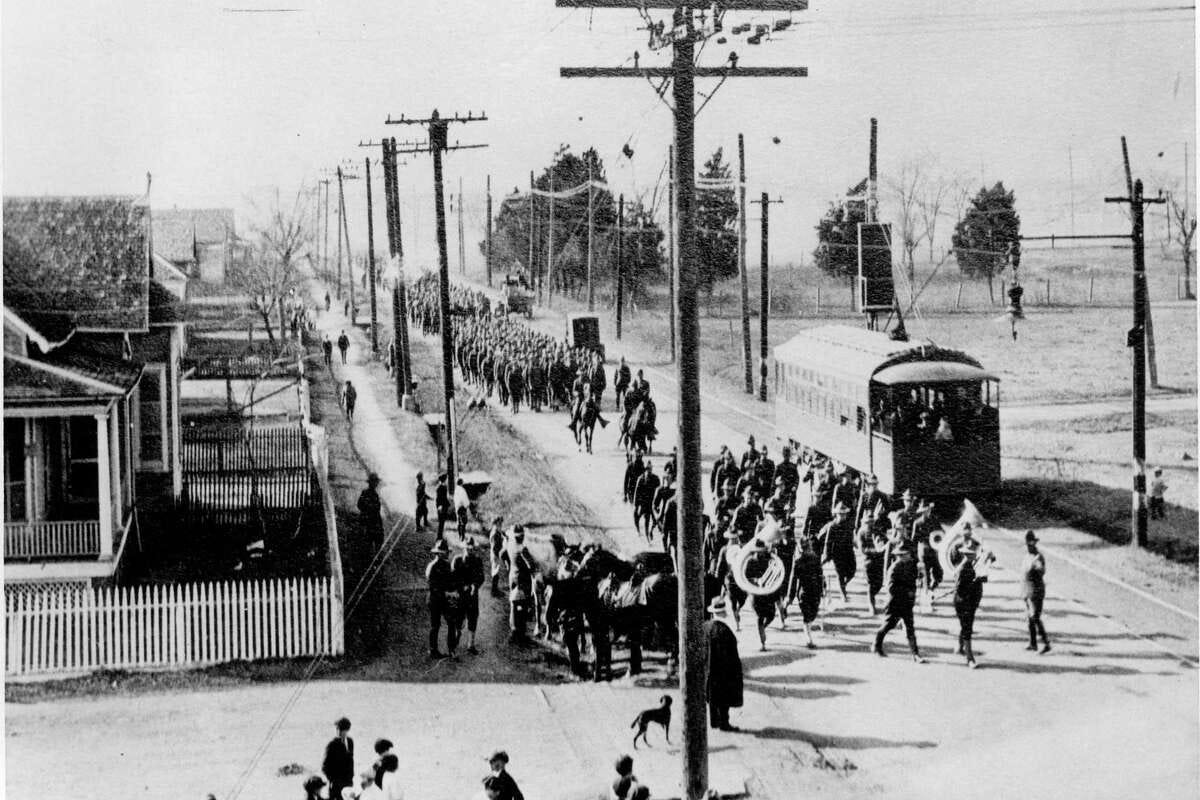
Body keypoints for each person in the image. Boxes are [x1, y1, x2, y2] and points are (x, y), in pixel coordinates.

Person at [872, 541, 926, 663]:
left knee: (910, 628)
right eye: (903, 554)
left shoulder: (911, 564)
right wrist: (907, 592)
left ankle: (915, 654)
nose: (906, 556)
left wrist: (920, 577)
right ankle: (876, 645)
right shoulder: (894, 568)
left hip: (907, 603)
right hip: (895, 602)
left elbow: (914, 577)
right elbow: (891, 588)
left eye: (906, 554)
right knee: (888, 624)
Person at [952, 523, 990, 668]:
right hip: (963, 599)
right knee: (967, 626)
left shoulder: (974, 564)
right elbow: (960, 587)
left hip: (974, 596)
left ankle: (960, 646)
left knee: (967, 623)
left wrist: (981, 576)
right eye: (972, 554)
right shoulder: (962, 568)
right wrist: (975, 581)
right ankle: (969, 657)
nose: (974, 556)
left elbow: (984, 576)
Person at [704, 597, 744, 731]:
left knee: (712, 696)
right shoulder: (726, 630)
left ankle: (714, 722)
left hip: (708, 669)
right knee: (724, 698)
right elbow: (732, 654)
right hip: (723, 671)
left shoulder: (705, 627)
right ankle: (724, 723)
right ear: (724, 613)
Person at [788, 534, 823, 649]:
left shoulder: (815, 558)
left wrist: (823, 588)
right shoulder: (798, 562)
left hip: (816, 590)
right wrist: (789, 597)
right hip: (804, 592)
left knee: (813, 613)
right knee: (807, 615)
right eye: (804, 548)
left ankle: (808, 629)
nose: (806, 549)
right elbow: (793, 580)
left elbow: (820, 574)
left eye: (807, 547)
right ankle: (808, 638)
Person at [426, 539, 459, 658]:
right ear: (438, 553)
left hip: (444, 600)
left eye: (446, 552)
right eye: (444, 552)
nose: (447, 554)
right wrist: (446, 593)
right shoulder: (432, 567)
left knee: (451, 623)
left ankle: (451, 649)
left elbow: (450, 582)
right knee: (435, 625)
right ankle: (433, 650)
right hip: (434, 600)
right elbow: (433, 586)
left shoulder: (446, 565)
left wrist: (454, 590)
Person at [453, 539, 486, 654]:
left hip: (472, 595)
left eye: (472, 549)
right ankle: (456, 636)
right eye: (468, 549)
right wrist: (462, 587)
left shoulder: (477, 561)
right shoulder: (457, 560)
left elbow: (481, 577)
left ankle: (470, 645)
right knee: (459, 617)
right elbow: (453, 577)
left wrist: (474, 585)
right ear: (464, 548)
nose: (470, 551)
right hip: (461, 595)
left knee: (473, 618)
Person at [819, 501, 856, 602]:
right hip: (837, 553)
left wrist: (854, 545)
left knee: (852, 572)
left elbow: (851, 538)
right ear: (836, 514)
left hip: (848, 551)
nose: (842, 516)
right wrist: (826, 555)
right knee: (840, 574)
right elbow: (827, 542)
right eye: (840, 514)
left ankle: (843, 585)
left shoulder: (848, 525)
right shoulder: (832, 526)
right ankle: (843, 593)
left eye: (844, 514)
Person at [1022, 530, 1051, 653]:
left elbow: (1042, 571)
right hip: (1027, 590)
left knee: (1035, 617)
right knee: (1029, 618)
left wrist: (1038, 567)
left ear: (1034, 543)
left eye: (1031, 543)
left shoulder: (1038, 557)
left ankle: (1046, 642)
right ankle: (1033, 643)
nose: (1029, 546)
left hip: (1036, 590)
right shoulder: (1027, 556)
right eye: (1027, 544)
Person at [321, 717, 355, 800]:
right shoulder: (332, 744)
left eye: (343, 730)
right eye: (338, 729)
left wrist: (351, 777)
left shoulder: (350, 742)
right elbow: (324, 766)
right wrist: (332, 780)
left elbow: (350, 760)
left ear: (347, 730)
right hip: (336, 786)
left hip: (348, 784)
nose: (340, 732)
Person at [357, 473, 384, 553]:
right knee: (368, 541)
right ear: (370, 482)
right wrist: (368, 510)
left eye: (376, 482)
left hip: (375, 521)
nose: (376, 484)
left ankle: (375, 556)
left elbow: (377, 509)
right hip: (368, 521)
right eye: (374, 482)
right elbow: (359, 505)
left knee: (379, 539)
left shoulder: (375, 494)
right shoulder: (365, 493)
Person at [488, 516, 506, 594]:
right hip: (495, 554)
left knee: (496, 571)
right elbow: (495, 547)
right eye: (499, 523)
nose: (501, 524)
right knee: (495, 572)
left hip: (495, 554)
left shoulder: (496, 531)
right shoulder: (495, 533)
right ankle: (494, 590)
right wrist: (498, 555)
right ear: (496, 523)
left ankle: (494, 589)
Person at [454, 477, 472, 541]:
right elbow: (465, 499)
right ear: (462, 483)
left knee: (459, 521)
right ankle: (462, 536)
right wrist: (467, 505)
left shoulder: (456, 490)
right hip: (462, 507)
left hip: (457, 507)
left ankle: (459, 535)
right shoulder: (462, 490)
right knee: (463, 522)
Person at [435, 474, 451, 539]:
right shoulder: (441, 487)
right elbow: (439, 498)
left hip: (443, 506)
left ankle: (440, 536)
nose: (446, 480)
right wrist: (440, 506)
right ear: (444, 479)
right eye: (446, 479)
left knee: (442, 522)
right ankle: (439, 536)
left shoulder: (442, 486)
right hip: (442, 506)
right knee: (441, 522)